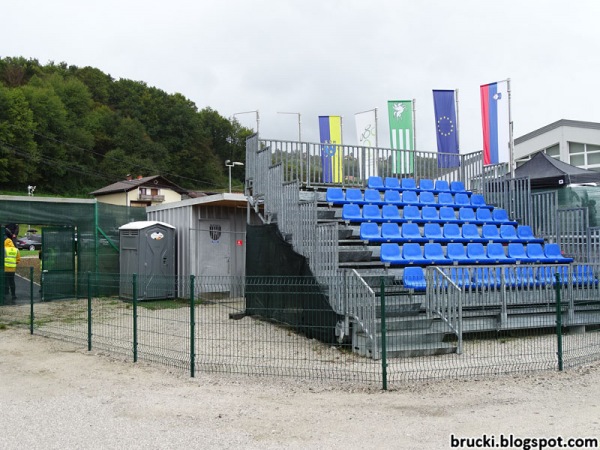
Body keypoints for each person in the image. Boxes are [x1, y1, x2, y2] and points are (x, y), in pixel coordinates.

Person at [4, 229, 21, 302]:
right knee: (12, 282)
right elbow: (18, 260)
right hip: (12, 269)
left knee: (4, 282)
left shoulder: (4, 249)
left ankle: (4, 295)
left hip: (5, 268)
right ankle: (13, 295)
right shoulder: (16, 250)